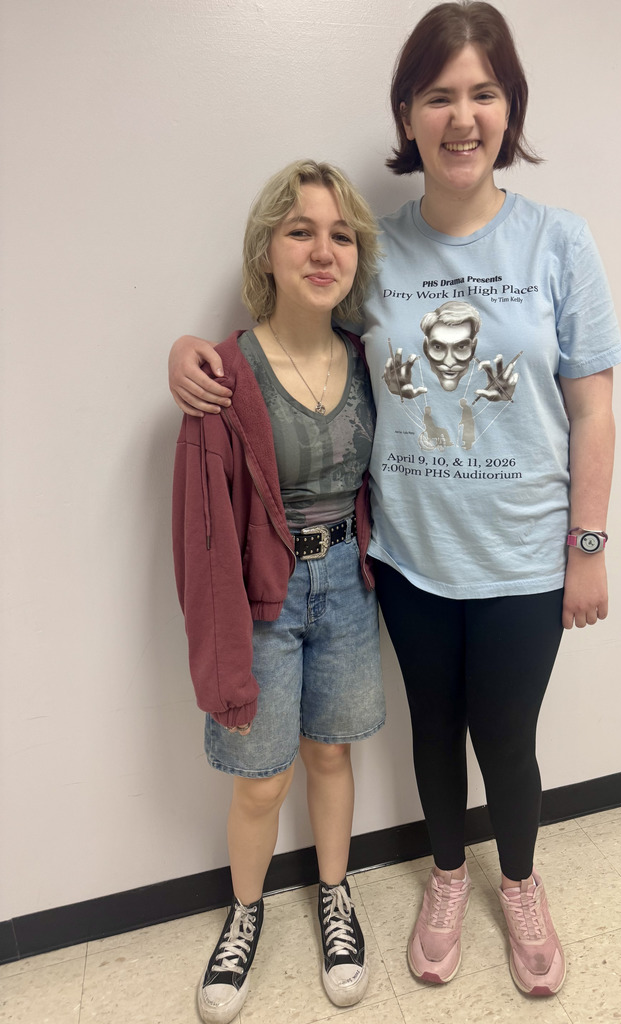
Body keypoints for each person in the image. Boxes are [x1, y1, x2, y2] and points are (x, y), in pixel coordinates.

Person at [169, 1, 621, 1000]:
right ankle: (449, 880)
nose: (462, 116)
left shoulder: (560, 243)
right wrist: (189, 351)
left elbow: (593, 410)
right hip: (408, 561)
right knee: (431, 729)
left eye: (483, 93)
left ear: (509, 110)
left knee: (506, 738)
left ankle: (521, 881)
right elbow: (297, 329)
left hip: (522, 555)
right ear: (409, 115)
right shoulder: (380, 256)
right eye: (440, 95)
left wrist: (587, 543)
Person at [172, 159, 385, 1024]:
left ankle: (335, 897)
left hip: (349, 580)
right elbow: (203, 534)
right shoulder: (222, 374)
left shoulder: (370, 359)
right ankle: (246, 913)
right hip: (266, 591)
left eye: (340, 233)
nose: (322, 248)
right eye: (302, 230)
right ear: (267, 249)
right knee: (262, 778)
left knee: (332, 752)